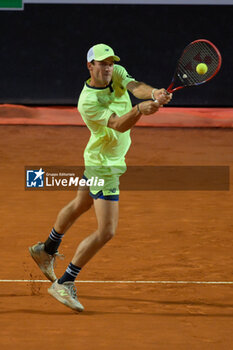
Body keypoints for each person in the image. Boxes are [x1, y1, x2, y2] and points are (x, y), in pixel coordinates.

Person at [29, 43, 172, 312]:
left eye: (110, 63)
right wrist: (141, 110)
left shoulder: (115, 71)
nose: (107, 67)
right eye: (101, 63)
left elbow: (135, 86)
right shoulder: (88, 101)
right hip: (105, 167)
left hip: (96, 158)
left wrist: (153, 93)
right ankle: (65, 282)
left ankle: (46, 249)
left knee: (81, 204)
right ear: (90, 66)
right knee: (107, 230)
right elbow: (119, 124)